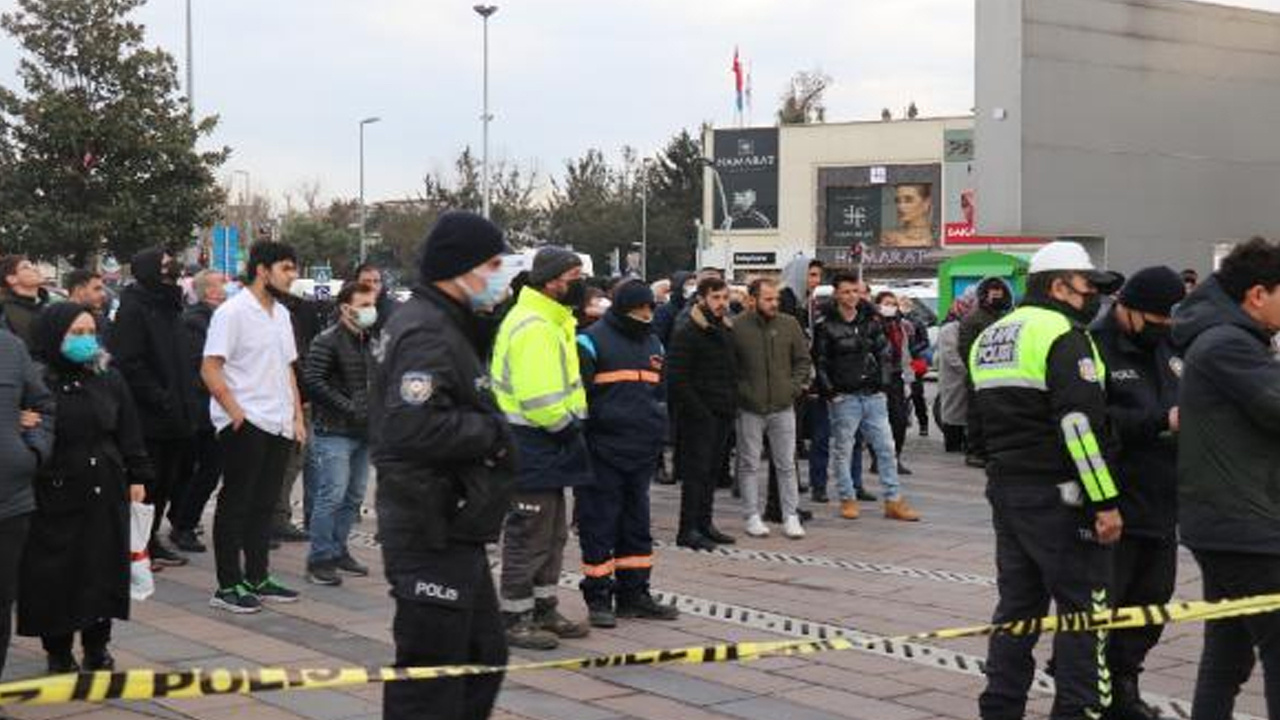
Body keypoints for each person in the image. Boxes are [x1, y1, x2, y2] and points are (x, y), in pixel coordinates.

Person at [970, 241, 1124, 720]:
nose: (1094, 298)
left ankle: (1000, 707)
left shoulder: (992, 336)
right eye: (1087, 288)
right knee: (1084, 611)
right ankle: (1079, 711)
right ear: (1058, 286)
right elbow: (1079, 428)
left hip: (1007, 488)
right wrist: (1105, 501)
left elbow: (975, 426)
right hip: (1063, 495)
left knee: (1017, 607)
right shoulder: (1065, 335)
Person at [371, 210, 515, 720]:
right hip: (428, 523)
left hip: (454, 525)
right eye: (494, 263)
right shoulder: (427, 331)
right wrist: (495, 432)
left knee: (482, 656)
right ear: (462, 267)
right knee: (432, 671)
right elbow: (410, 427)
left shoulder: (449, 324)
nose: (502, 275)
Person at [1171, 237, 1280, 719]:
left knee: (1229, 651)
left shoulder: (1231, 339)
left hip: (1229, 520)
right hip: (1245, 526)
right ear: (1258, 294)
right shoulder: (1227, 344)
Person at [18, 303, 149, 673]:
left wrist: (137, 474)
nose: (85, 340)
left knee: (102, 566)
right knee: (55, 571)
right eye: (76, 333)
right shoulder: (36, 379)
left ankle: (97, 645)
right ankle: (58, 650)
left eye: (90, 332)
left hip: (104, 485)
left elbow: (128, 427)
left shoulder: (107, 376)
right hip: (55, 486)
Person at [1091, 266, 1185, 720]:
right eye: (1154, 321)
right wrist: (1158, 422)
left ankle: (1124, 681)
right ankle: (1093, 691)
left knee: (1151, 602)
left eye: (1167, 323)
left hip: (1163, 497)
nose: (1160, 330)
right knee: (1105, 604)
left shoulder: (1170, 345)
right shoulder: (1095, 345)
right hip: (1114, 499)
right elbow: (1092, 422)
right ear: (1126, 308)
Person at [491, 247, 593, 651]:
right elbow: (538, 397)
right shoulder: (533, 324)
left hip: (547, 441)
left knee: (552, 535)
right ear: (551, 281)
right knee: (528, 533)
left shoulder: (551, 319)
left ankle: (543, 607)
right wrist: (568, 430)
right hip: (531, 441)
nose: (578, 284)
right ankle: (515, 617)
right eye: (572, 277)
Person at [202, 241, 306, 613]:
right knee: (235, 503)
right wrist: (235, 413)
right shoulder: (233, 312)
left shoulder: (280, 314)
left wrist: (296, 417)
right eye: (286, 268)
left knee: (264, 504)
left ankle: (259, 576)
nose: (292, 276)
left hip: (277, 422)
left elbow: (288, 369)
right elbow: (210, 366)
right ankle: (227, 584)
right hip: (246, 421)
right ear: (262, 270)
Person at [574, 280, 679, 628]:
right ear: (623, 308)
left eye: (650, 308)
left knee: (637, 527)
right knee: (599, 526)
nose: (647, 314)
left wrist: (659, 433)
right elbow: (580, 401)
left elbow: (659, 394)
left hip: (641, 450)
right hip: (602, 451)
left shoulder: (653, 342)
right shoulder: (591, 341)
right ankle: (599, 596)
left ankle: (635, 594)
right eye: (640, 308)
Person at [110, 247, 197, 569]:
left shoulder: (170, 304)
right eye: (163, 265)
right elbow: (129, 361)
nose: (170, 269)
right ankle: (135, 544)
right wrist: (161, 397)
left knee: (167, 480)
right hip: (149, 414)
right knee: (146, 481)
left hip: (176, 412)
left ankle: (151, 539)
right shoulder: (134, 307)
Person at [812, 274, 920, 522]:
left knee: (886, 448)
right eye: (847, 291)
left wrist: (882, 385)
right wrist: (831, 392)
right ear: (837, 294)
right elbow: (820, 362)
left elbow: (884, 354)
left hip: (873, 394)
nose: (853, 296)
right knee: (843, 449)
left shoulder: (872, 320)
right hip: (844, 396)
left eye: (856, 291)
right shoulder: (825, 325)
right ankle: (847, 498)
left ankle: (893, 500)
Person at [302, 281, 377, 585]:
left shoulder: (370, 340)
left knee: (354, 496)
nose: (370, 310)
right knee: (331, 495)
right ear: (345, 307)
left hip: (364, 431)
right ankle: (319, 559)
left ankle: (338, 549)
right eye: (363, 305)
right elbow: (314, 381)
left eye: (371, 303)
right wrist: (349, 408)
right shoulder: (327, 340)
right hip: (334, 430)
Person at [732, 278, 811, 539]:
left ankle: (791, 515)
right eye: (767, 298)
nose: (774, 303)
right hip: (749, 407)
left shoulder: (789, 324)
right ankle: (751, 515)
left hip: (782, 405)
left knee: (787, 463)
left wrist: (793, 388)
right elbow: (730, 366)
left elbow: (802, 360)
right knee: (749, 462)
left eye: (776, 298)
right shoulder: (737, 326)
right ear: (752, 299)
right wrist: (742, 392)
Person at [0, 321, 55, 682]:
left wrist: (32, 451)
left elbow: (43, 404)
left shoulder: (9, 347)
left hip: (10, 499)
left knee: (1, 603)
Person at [667, 277, 738, 551]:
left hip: (722, 411)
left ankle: (705, 524)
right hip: (699, 415)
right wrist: (700, 411)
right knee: (695, 474)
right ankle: (687, 530)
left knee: (711, 473)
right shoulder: (689, 331)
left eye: (724, 297)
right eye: (716, 298)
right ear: (702, 299)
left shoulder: (725, 328)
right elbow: (677, 379)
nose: (722, 303)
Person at [168, 270, 226, 553]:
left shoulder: (214, 318)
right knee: (204, 470)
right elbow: (198, 367)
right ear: (208, 292)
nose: (225, 290)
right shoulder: (196, 321)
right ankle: (183, 525)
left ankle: (183, 520)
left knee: (203, 470)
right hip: (201, 408)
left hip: (211, 406)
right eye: (220, 286)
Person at [958, 276, 1014, 468]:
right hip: (979, 376)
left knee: (999, 415)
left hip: (1005, 375)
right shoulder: (973, 318)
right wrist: (977, 371)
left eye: (1000, 289)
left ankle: (995, 450)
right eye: (992, 289)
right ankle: (975, 451)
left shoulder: (1008, 316)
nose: (996, 292)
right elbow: (965, 349)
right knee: (977, 415)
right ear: (984, 293)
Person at [873, 291, 926, 475]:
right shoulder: (873, 325)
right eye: (887, 303)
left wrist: (908, 379)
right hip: (878, 379)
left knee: (900, 420)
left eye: (893, 303)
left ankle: (895, 457)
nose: (891, 307)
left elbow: (905, 353)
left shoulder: (900, 326)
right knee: (879, 423)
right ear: (878, 305)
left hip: (896, 377)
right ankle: (879, 460)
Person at [935, 290, 977, 454]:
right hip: (954, 378)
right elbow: (950, 354)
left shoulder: (969, 325)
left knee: (962, 412)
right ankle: (952, 445)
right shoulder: (949, 328)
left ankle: (963, 443)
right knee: (953, 411)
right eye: (965, 305)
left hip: (965, 377)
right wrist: (967, 372)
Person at [0, 254, 50, 347]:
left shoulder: (46, 308)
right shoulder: (4, 313)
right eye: (26, 267)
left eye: (32, 265)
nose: (35, 269)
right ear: (12, 279)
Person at [881, 183, 934, 248]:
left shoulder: (939, 237)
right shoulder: (889, 240)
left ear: (926, 203)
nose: (900, 206)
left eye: (908, 200)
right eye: (898, 201)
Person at [355, 262, 398, 334]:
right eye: (367, 281)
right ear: (356, 283)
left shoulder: (394, 312)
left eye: (376, 281)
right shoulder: (344, 309)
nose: (372, 286)